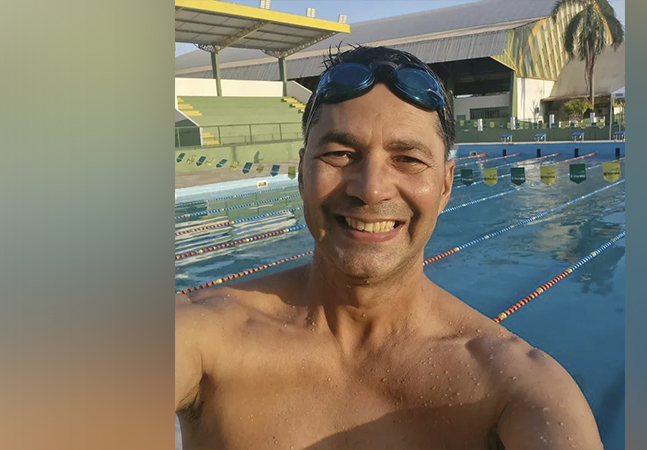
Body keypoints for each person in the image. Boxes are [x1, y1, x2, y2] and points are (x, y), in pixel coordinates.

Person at [176, 45, 603, 450]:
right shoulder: (207, 334)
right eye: (341, 153)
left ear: (446, 184)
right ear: (303, 173)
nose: (371, 189)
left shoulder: (513, 386)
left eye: (408, 158)